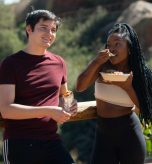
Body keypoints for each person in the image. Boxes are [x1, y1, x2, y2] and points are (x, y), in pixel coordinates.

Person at [0, 9, 77, 164]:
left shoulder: (59, 62)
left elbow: (65, 94)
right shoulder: (10, 64)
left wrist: (69, 104)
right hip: (20, 143)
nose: (49, 33)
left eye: (53, 30)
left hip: (51, 141)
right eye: (43, 28)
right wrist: (48, 111)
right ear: (29, 29)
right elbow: (6, 110)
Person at [76, 23, 152, 164]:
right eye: (109, 44)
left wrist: (127, 87)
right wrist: (95, 62)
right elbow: (80, 86)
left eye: (117, 44)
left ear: (129, 48)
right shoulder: (101, 66)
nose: (112, 48)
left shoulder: (138, 72)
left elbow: (145, 109)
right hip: (103, 135)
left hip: (130, 135)